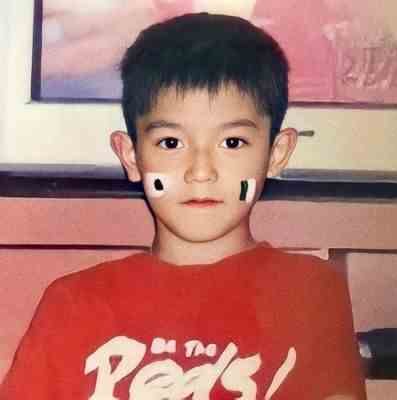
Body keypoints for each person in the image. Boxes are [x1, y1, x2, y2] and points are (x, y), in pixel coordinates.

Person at [0, 12, 366, 399]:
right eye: (171, 143)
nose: (201, 171)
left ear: (277, 153)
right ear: (131, 157)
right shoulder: (73, 303)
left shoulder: (308, 292)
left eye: (232, 143)